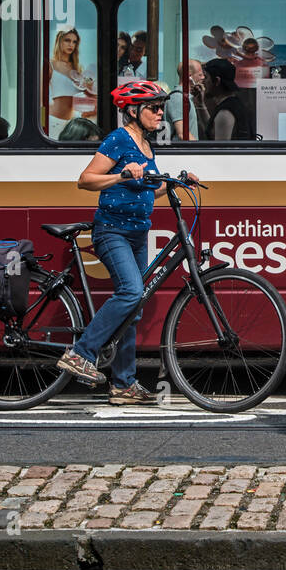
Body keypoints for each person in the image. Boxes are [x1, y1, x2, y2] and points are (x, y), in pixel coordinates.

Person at [57, 80, 196, 403]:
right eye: (154, 107)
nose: (160, 112)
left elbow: (148, 189)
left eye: (161, 107)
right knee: (131, 291)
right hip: (112, 231)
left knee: (134, 306)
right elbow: (85, 180)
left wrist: (175, 182)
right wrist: (121, 175)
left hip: (136, 233)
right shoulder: (119, 140)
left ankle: (123, 384)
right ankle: (80, 353)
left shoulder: (147, 146)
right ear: (133, 111)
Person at [49, 29, 94, 138]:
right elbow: (40, 98)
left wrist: (90, 86)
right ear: (59, 42)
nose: (71, 45)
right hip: (55, 120)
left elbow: (88, 95)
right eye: (67, 40)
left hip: (73, 123)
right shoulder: (50, 65)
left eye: (74, 42)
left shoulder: (78, 68)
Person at [201, 57, 253, 140]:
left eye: (206, 77)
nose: (203, 82)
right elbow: (213, 129)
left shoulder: (225, 112)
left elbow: (220, 150)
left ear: (217, 81)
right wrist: (200, 104)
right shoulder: (235, 104)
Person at [165, 59, 206, 141]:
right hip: (183, 151)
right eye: (200, 75)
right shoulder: (177, 98)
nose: (203, 78)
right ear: (189, 76)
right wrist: (199, 151)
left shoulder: (188, 97)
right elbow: (182, 134)